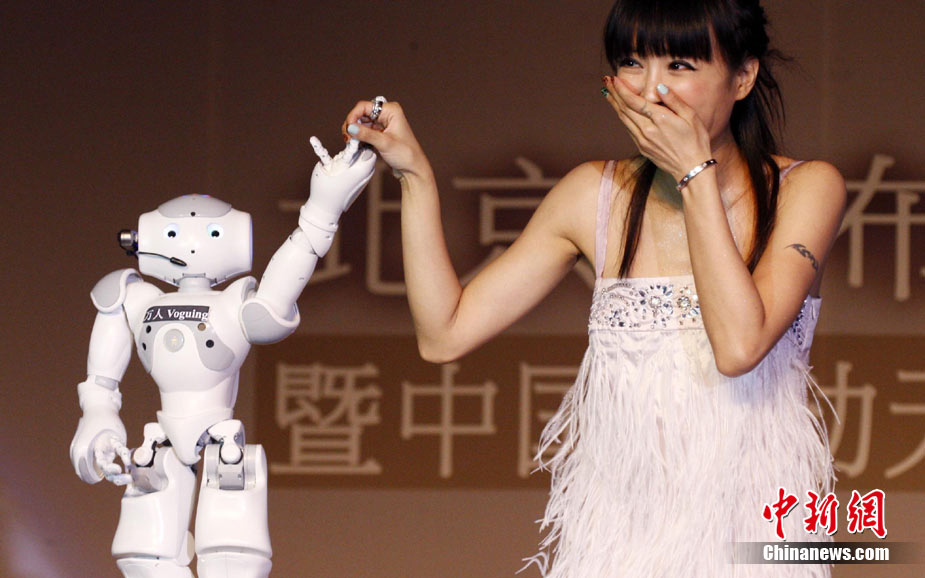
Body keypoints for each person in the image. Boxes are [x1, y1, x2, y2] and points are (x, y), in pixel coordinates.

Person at [342, 0, 844, 575]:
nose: (651, 90)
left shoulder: (804, 189)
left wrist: (693, 173)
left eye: (680, 65)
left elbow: (738, 347)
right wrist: (414, 174)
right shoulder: (594, 194)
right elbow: (444, 334)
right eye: (632, 63)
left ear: (743, 76)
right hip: (620, 543)